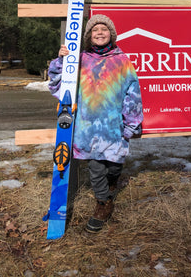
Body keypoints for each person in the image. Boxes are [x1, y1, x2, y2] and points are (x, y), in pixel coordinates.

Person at [48, 14, 143, 233]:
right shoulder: (79, 59)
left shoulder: (122, 60)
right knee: (95, 167)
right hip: (87, 128)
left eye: (104, 29)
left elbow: (132, 93)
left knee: (114, 166)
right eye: (95, 30)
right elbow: (58, 86)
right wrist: (62, 61)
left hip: (113, 127)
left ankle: (110, 186)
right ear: (89, 36)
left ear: (111, 35)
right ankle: (103, 203)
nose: (99, 33)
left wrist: (131, 123)